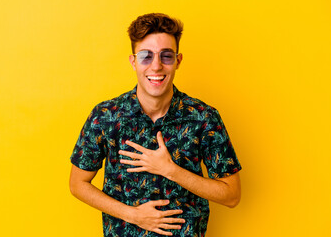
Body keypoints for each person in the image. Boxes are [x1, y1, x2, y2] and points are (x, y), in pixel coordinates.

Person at [69, 13, 242, 237]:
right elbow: (77, 184)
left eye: (166, 56)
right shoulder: (105, 116)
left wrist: (171, 171)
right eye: (146, 56)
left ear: (178, 61)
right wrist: (133, 215)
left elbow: (232, 196)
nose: (156, 66)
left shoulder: (203, 118)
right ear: (134, 62)